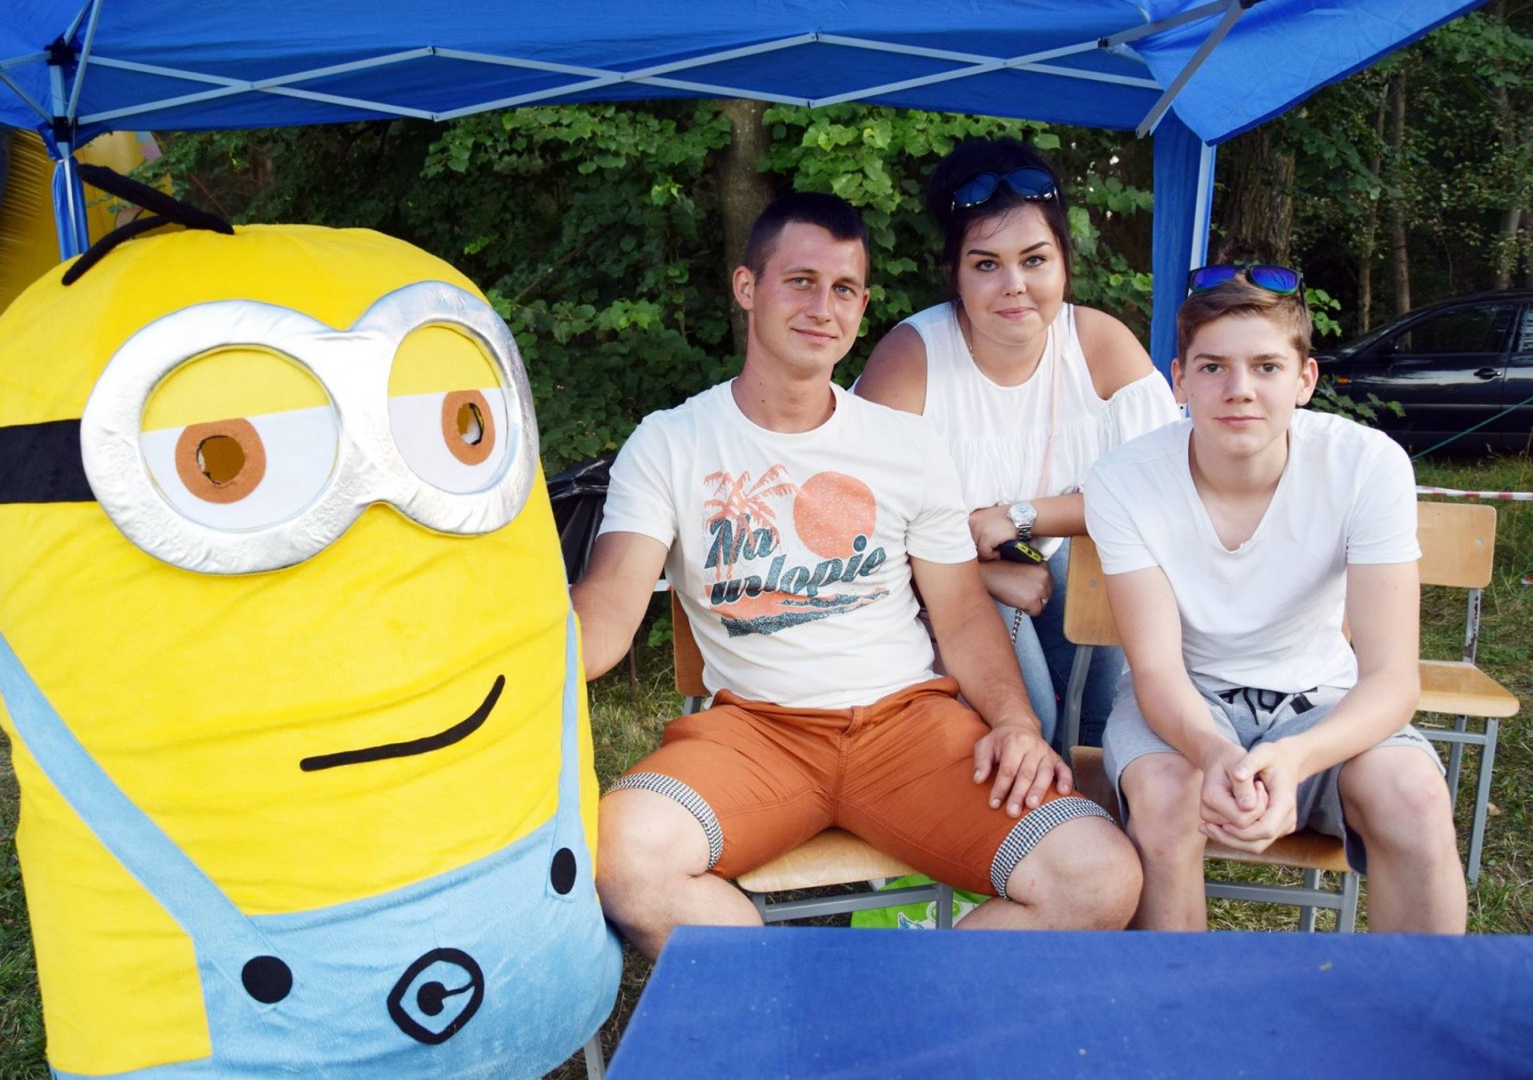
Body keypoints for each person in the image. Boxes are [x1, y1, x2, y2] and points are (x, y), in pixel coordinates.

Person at [571, 192, 1141, 957]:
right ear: (747, 287)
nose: (823, 307)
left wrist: (1014, 723)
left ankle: (906, 1006)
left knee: (1098, 875)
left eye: (843, 289)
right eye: (800, 281)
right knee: (623, 857)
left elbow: (963, 616)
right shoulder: (672, 443)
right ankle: (786, 1004)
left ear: (863, 306)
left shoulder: (904, 444)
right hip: (756, 732)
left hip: (910, 729)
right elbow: (606, 614)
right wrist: (491, 643)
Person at [1084, 269, 1467, 933]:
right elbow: (1158, 671)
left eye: (1266, 366)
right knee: (1167, 797)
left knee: (1415, 796)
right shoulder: (1124, 479)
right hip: (1187, 704)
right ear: (1179, 381)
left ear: (1305, 379)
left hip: (1321, 700)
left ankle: (1413, 998)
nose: (1239, 389)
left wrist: (1295, 759)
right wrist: (1215, 754)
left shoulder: (1366, 464)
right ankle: (1173, 999)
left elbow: (1392, 678)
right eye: (1213, 367)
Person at [856, 137, 1178, 748]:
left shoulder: (1101, 346)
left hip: (1054, 558)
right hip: (924, 582)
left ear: (1064, 261)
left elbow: (1166, 492)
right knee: (1031, 717)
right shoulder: (911, 359)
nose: (1014, 285)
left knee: (1110, 711)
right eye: (986, 265)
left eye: (1034, 260)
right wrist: (985, 577)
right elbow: (857, 527)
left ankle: (1086, 804)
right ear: (954, 273)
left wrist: (1020, 517)